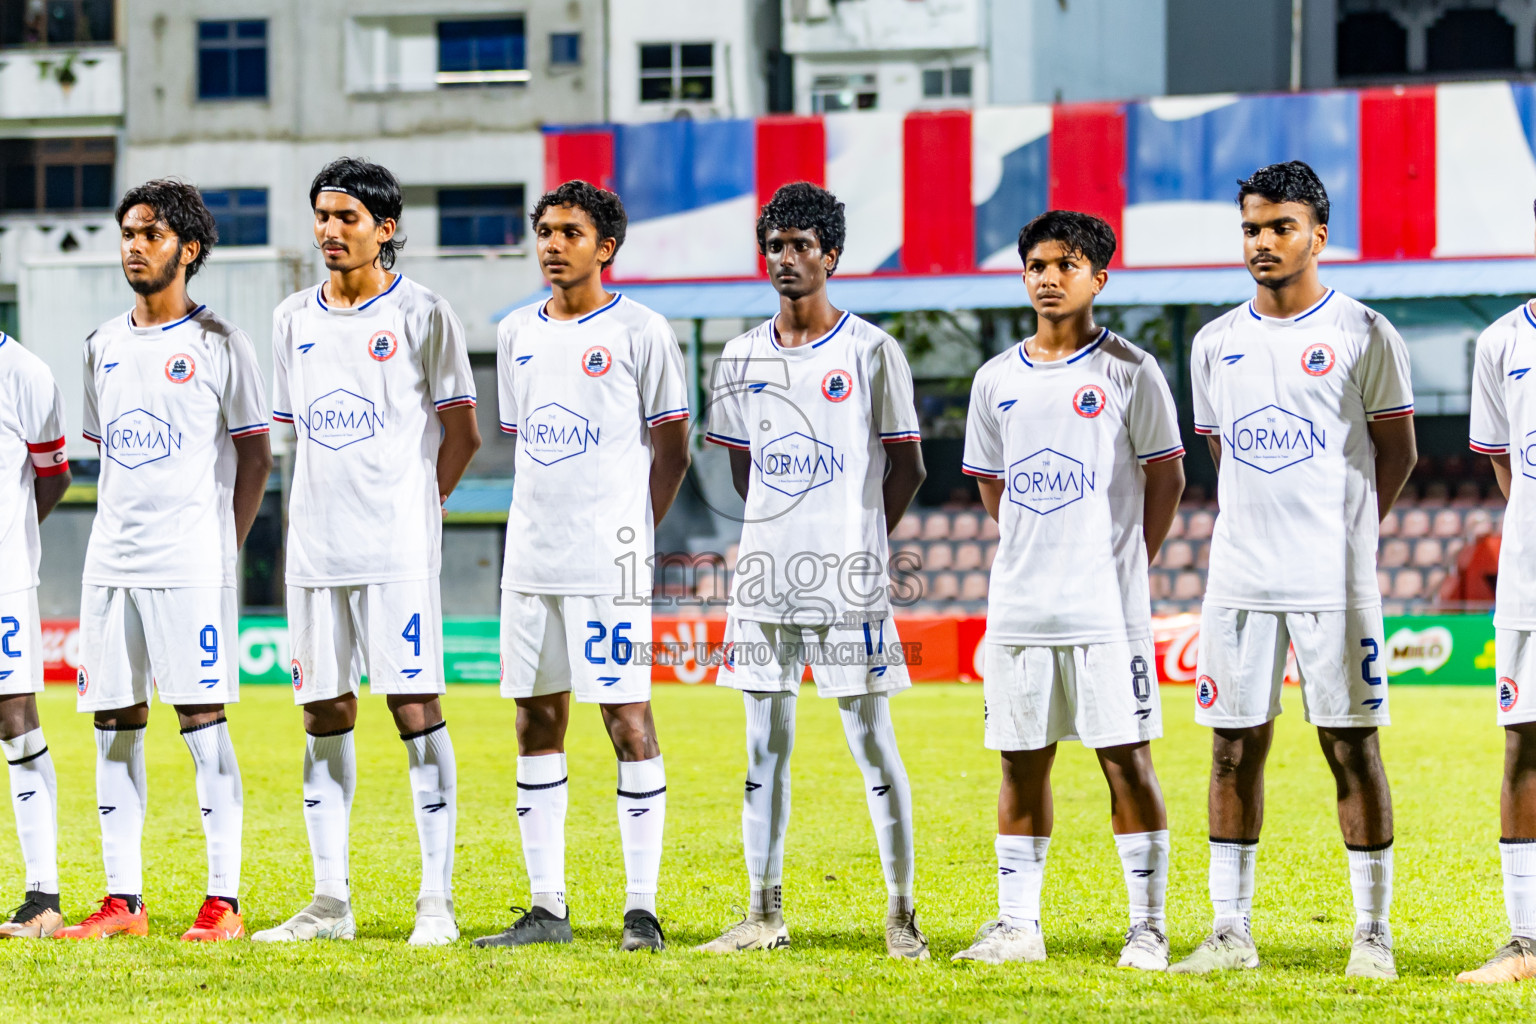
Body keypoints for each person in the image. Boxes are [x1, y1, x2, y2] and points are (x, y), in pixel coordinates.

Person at [1169, 161, 1417, 979]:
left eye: (1280, 227)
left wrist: (1344, 537)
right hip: (1239, 579)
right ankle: (1230, 931)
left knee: (1351, 747)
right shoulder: (1215, 343)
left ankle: (1371, 934)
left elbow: (1397, 452)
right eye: (1251, 228)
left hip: (1334, 583)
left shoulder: (1364, 331)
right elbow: (1220, 453)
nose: (1263, 242)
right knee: (1232, 749)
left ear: (1319, 233)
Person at [696, 182, 930, 960]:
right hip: (763, 580)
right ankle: (763, 913)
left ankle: (901, 915)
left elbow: (909, 467)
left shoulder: (871, 350)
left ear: (831, 255)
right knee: (762, 744)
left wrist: (853, 539)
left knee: (871, 741)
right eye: (774, 244)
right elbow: (741, 470)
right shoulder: (739, 354)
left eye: (800, 245)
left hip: (847, 583)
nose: (785, 258)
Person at [253, 158, 481, 946]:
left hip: (396, 552)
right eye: (322, 215)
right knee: (322, 711)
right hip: (316, 552)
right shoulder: (291, 319)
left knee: (414, 709)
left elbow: (464, 433)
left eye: (346, 217)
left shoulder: (425, 312)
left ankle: (436, 904)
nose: (329, 231)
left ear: (385, 227)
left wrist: (420, 506)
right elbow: (293, 440)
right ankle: (329, 903)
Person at [952, 211, 1184, 969]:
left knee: (1126, 759)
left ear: (1099, 278)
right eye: (1037, 265)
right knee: (1020, 762)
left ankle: (1147, 925)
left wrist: (1126, 561)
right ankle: (1018, 925)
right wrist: (1035, 548)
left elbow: (1168, 476)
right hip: (1020, 607)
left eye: (1067, 264)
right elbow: (993, 487)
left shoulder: (1130, 370)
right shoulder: (996, 379)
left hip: (1106, 612)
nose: (1049, 277)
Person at [474, 180, 690, 953]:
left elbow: (672, 448)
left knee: (627, 721)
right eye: (544, 231)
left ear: (606, 247)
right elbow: (527, 439)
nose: (552, 244)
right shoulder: (514, 332)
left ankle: (642, 910)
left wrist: (631, 533)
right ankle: (546, 908)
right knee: (536, 719)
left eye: (569, 232)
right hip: (531, 560)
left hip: (609, 564)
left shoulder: (643, 330)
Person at [59, 180, 273, 941]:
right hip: (110, 561)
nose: (134, 246)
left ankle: (225, 901)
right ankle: (125, 902)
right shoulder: (101, 345)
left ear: (188, 247)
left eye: (150, 233)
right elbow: (105, 457)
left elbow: (256, 457)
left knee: (202, 722)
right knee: (113, 724)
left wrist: (224, 545)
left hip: (189, 564)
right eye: (127, 233)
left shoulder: (220, 343)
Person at [1456, 220, 1536, 982]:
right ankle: (1529, 944)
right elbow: (1510, 474)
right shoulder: (1501, 343)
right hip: (1529, 586)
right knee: (1525, 747)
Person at [0, 320, 71, 938]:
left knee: (13, 714)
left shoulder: (24, 372)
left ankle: (42, 896)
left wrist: (14, 543)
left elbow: (55, 477)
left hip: (2, 578)